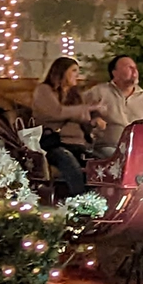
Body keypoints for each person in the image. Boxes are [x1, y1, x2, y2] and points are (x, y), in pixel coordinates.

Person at [32, 57, 104, 198]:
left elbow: (83, 118)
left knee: (101, 164)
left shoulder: (76, 95)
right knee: (69, 162)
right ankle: (81, 202)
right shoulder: (44, 90)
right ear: (61, 72)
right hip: (53, 143)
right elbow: (56, 112)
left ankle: (101, 201)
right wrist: (85, 109)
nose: (77, 75)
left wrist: (94, 121)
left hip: (78, 144)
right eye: (73, 71)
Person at [83, 55, 143, 157]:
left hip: (139, 150)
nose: (134, 71)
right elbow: (79, 114)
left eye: (135, 68)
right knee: (119, 159)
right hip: (108, 147)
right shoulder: (98, 92)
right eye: (129, 67)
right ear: (114, 73)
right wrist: (93, 120)